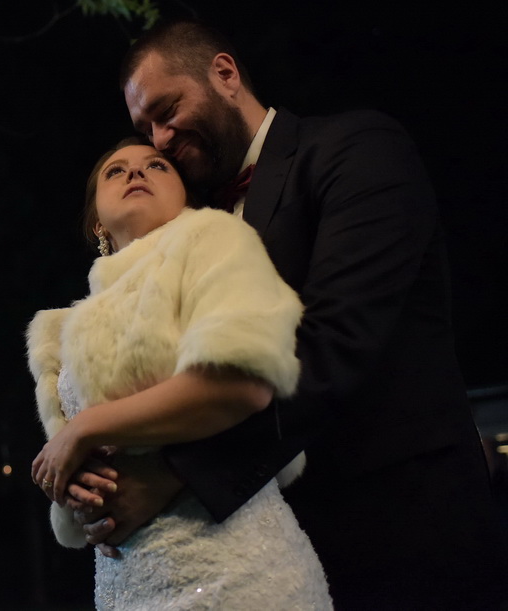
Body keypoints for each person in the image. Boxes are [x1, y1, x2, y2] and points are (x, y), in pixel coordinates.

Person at [64, 19, 508, 609]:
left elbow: (333, 342)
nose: (160, 138)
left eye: (167, 110)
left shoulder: (357, 148)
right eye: (145, 127)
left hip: (400, 526)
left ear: (225, 74)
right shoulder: (189, 230)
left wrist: (178, 475)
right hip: (265, 548)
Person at [27, 139, 332, 609]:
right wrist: (75, 492)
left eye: (156, 165)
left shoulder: (216, 241)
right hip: (124, 585)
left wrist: (85, 428)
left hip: (236, 572)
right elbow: (75, 496)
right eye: (116, 171)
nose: (136, 173)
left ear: (184, 198)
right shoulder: (58, 334)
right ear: (96, 221)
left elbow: (243, 385)